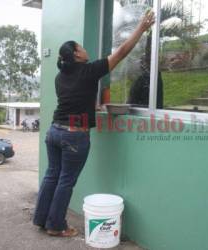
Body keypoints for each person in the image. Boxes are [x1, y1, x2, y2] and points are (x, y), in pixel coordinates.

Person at [33, 11, 155, 237]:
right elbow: (121, 52)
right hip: (73, 136)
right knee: (65, 181)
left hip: (54, 131)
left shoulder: (61, 77)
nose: (85, 48)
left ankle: (41, 219)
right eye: (81, 46)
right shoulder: (89, 70)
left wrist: (93, 107)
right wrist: (141, 28)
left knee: (52, 175)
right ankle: (56, 225)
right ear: (78, 54)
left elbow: (75, 98)